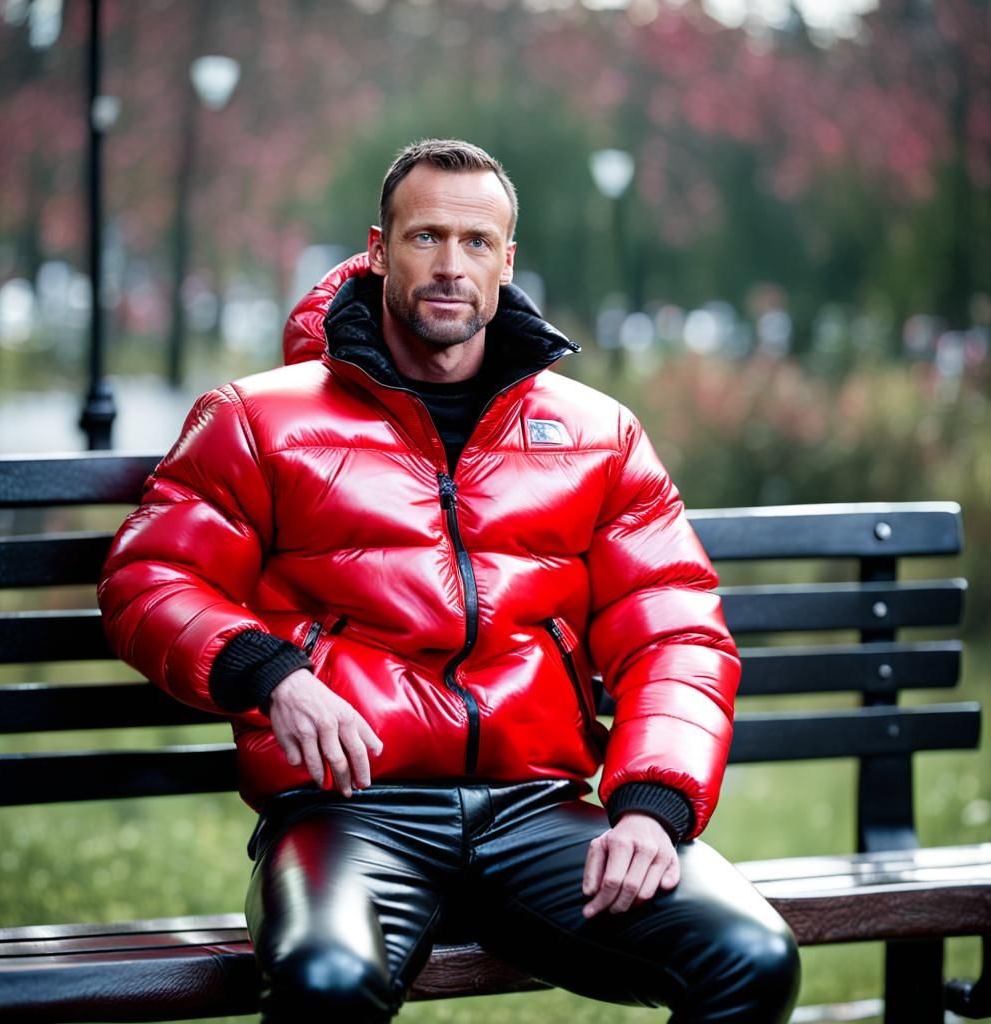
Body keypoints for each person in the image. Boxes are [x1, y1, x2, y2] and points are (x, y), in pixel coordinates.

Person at [99, 139, 799, 1023]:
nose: (450, 265)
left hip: (536, 812)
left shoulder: (597, 432)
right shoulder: (257, 420)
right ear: (379, 249)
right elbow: (151, 576)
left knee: (752, 960)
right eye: (426, 236)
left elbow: (675, 629)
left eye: (476, 243)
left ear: (507, 262)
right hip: (349, 812)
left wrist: (652, 805)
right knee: (324, 982)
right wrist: (268, 673)